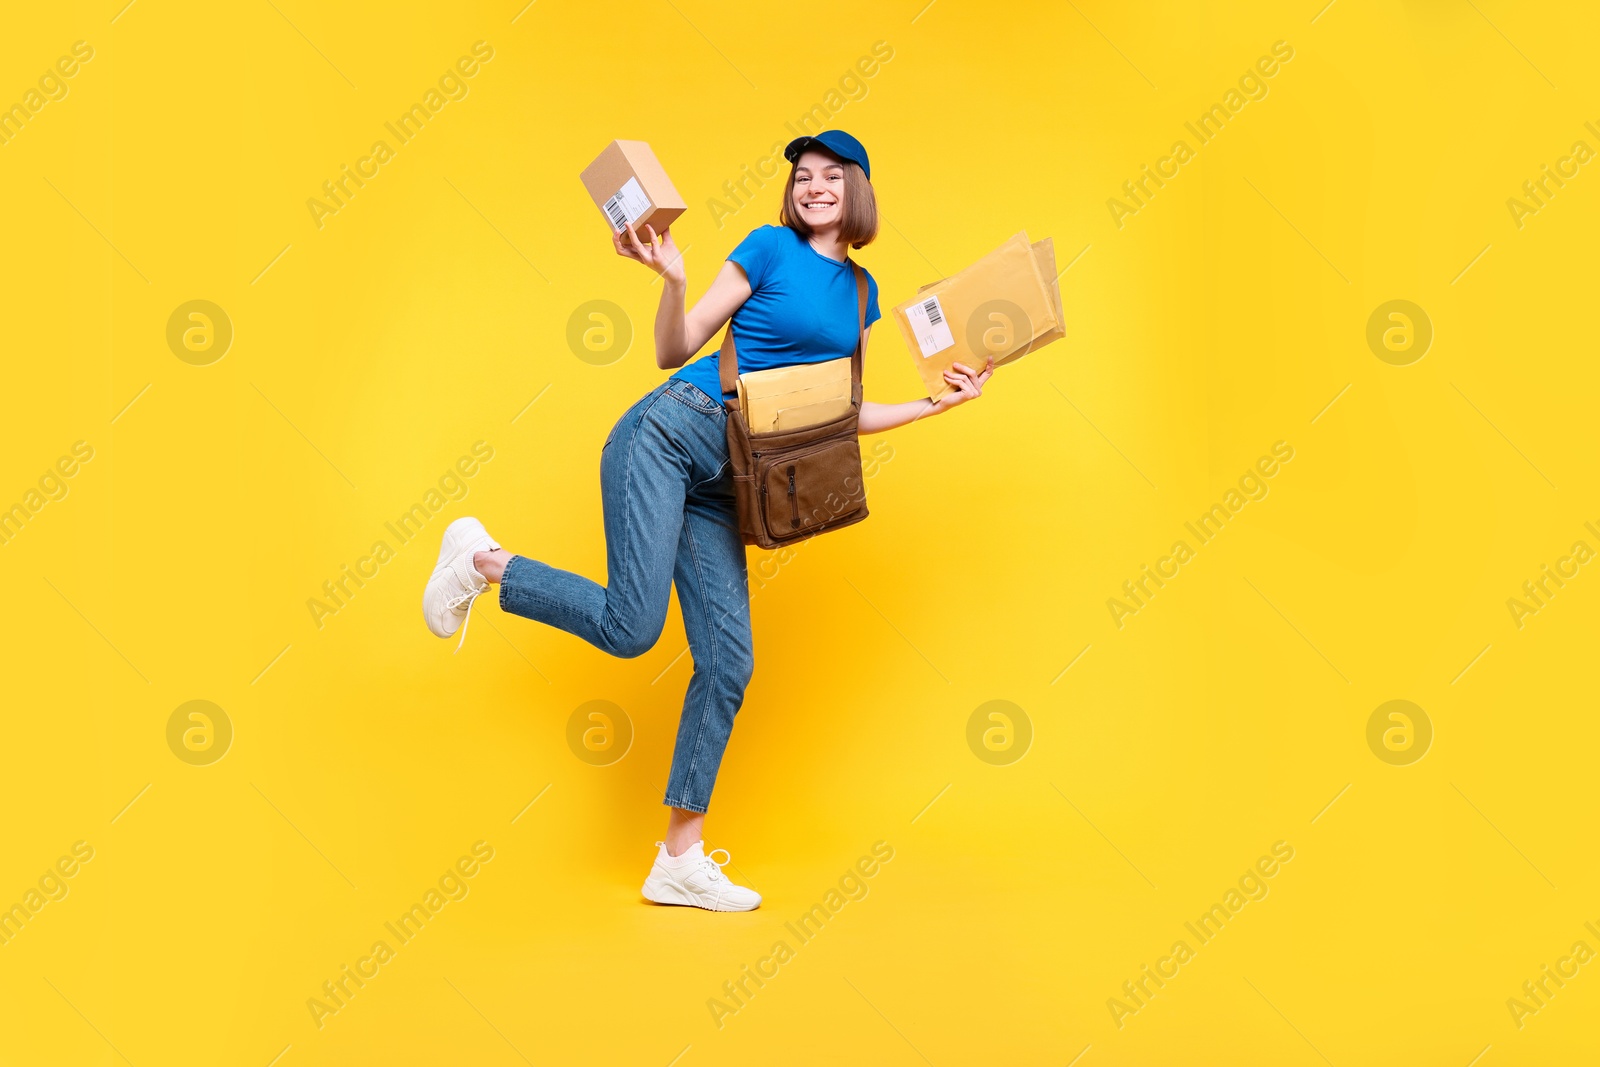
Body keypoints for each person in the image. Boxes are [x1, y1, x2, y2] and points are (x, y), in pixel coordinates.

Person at [422, 130, 993, 912]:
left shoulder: (861, 292)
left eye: (832, 175)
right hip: (672, 431)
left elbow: (836, 414)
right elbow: (675, 347)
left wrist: (939, 402)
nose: (813, 186)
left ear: (858, 191)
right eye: (803, 175)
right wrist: (674, 280)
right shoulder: (765, 248)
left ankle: (678, 858)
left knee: (728, 662)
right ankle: (485, 560)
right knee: (632, 627)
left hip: (735, 479)